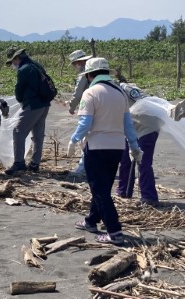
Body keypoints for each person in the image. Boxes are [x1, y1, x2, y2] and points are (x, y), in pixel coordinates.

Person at [67, 58, 143, 245]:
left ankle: (114, 231)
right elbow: (128, 125)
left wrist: (73, 139)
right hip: (117, 147)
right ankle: (91, 221)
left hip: (97, 147)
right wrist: (134, 146)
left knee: (100, 190)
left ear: (89, 75)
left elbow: (85, 124)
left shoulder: (90, 93)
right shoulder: (120, 93)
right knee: (103, 187)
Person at [4, 47, 50, 175]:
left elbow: (19, 89)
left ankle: (19, 163)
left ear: (17, 58)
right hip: (44, 104)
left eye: (13, 61)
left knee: (18, 131)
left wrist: (21, 101)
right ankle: (35, 163)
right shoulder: (37, 65)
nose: (13, 64)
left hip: (33, 105)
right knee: (38, 134)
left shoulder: (23, 69)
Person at [115, 83, 160, 206]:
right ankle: (123, 191)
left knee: (143, 161)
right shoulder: (105, 93)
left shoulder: (126, 89)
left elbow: (144, 102)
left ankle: (149, 197)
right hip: (130, 127)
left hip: (147, 126)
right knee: (124, 159)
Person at [67, 50, 93, 176]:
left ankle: (83, 168)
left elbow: (78, 94)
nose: (74, 67)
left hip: (90, 108)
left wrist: (71, 107)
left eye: (74, 64)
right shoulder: (95, 70)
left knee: (85, 139)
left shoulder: (84, 74)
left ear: (79, 62)